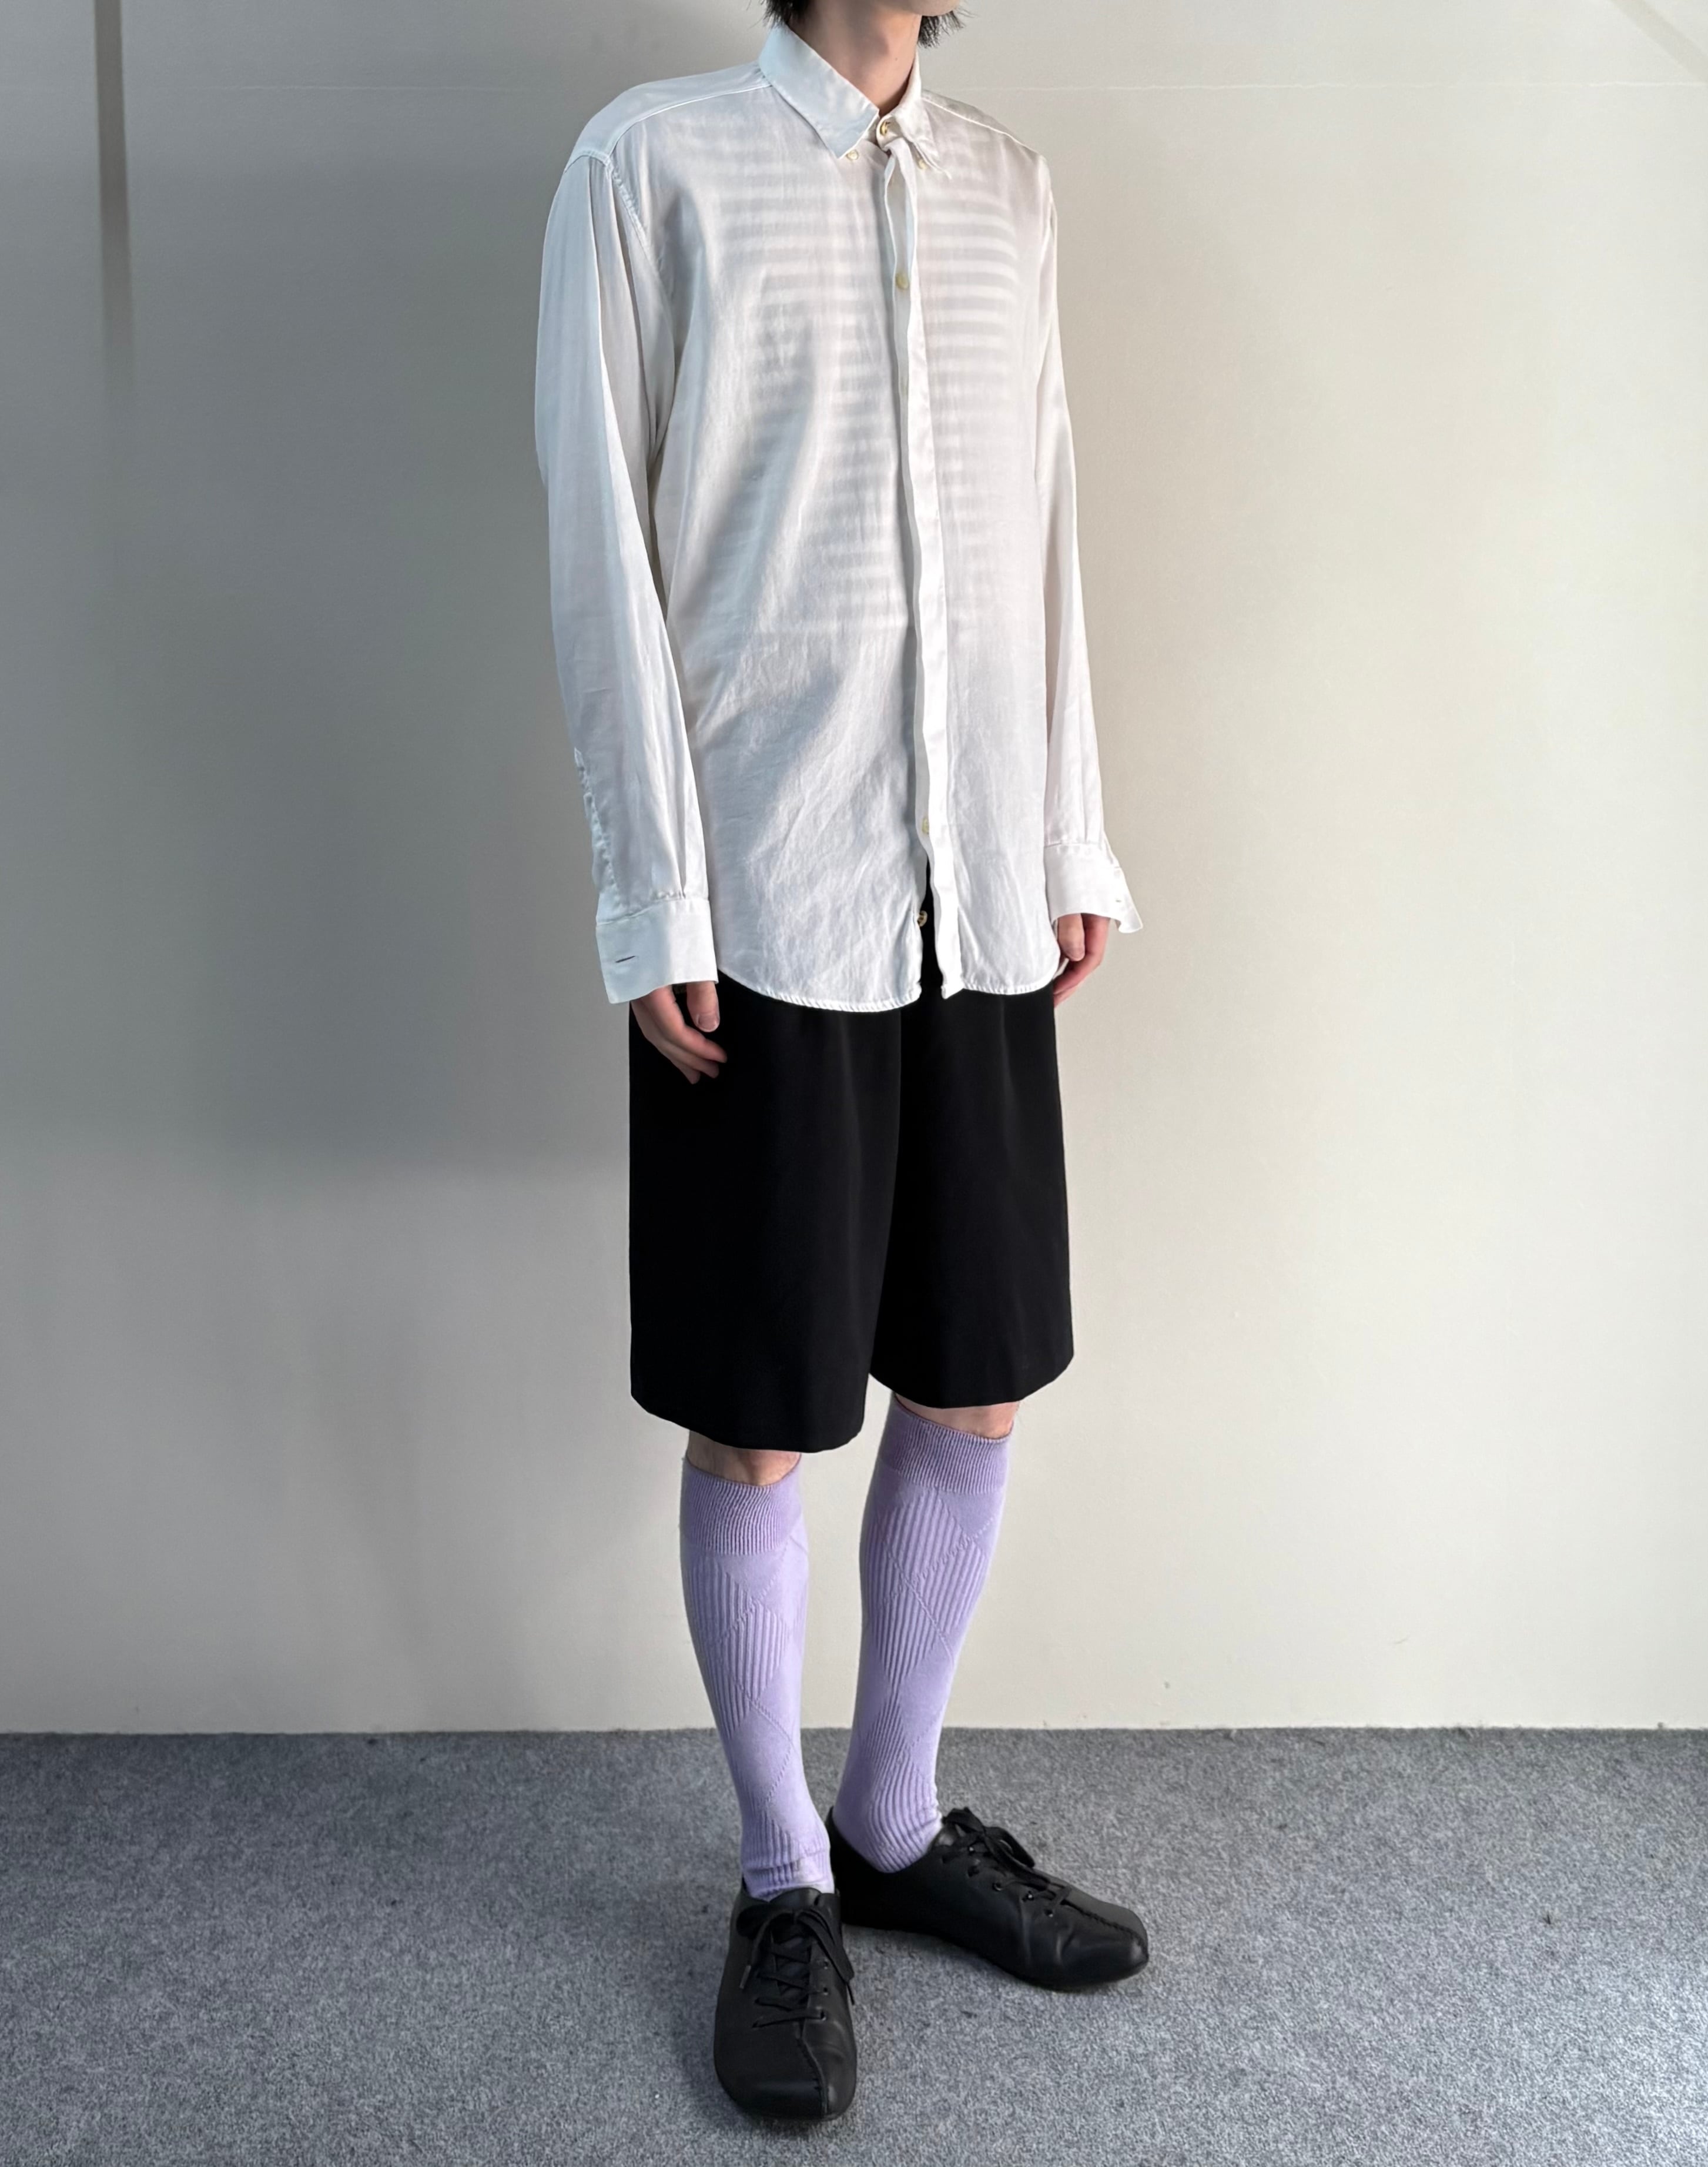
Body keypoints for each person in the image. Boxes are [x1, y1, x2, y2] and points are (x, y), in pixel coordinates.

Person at [534, 0, 1147, 2121]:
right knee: (763, 1417)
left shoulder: (1008, 188)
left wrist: (1067, 840)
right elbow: (601, 546)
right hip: (769, 898)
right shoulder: (653, 168)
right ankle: (781, 1875)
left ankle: (891, 1819)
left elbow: (1047, 521)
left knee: (974, 1380)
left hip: (973, 888)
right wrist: (652, 897)